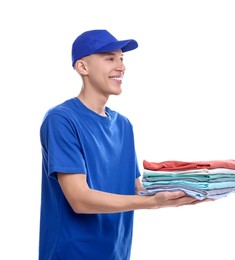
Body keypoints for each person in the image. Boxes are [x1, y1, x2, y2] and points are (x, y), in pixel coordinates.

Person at [38, 29, 210, 260]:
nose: (121, 66)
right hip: (71, 254)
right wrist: (152, 203)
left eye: (121, 59)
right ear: (83, 67)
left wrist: (186, 189)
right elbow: (79, 199)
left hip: (117, 253)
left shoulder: (123, 125)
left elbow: (134, 188)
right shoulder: (62, 119)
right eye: (110, 58)